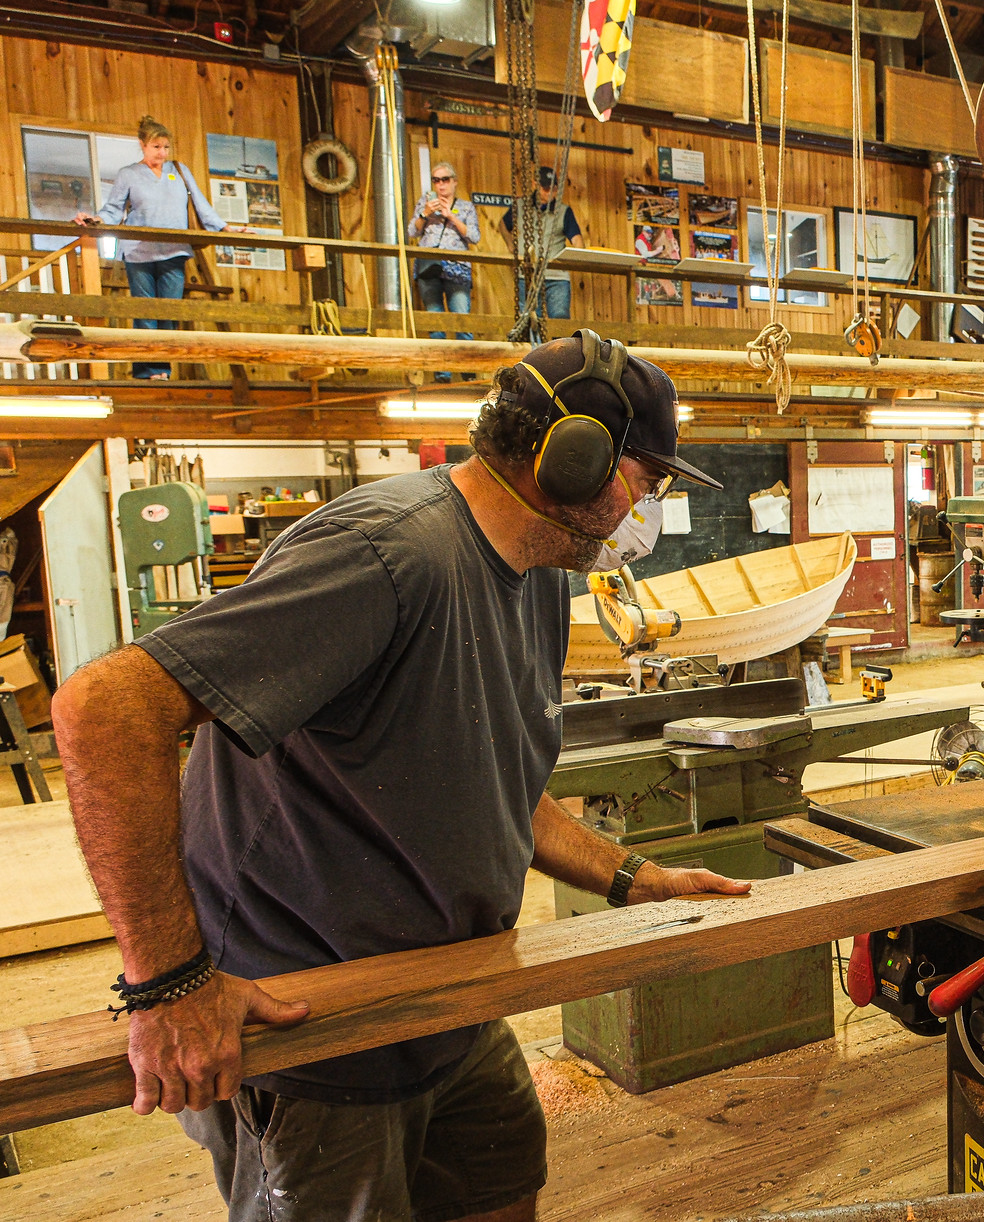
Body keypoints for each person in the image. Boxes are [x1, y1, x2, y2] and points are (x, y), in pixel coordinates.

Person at [53, 331, 732, 1221]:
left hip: (451, 1003)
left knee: (501, 1185)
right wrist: (169, 984)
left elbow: (490, 779)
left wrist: (634, 875)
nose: (648, 509)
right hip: (317, 1032)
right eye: (650, 482)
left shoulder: (533, 571)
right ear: (577, 462)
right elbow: (104, 710)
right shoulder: (389, 553)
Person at [73, 116, 239, 380]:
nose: (161, 153)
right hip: (139, 251)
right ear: (142, 145)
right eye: (155, 147)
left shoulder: (179, 170)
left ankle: (163, 368)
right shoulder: (129, 174)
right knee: (145, 311)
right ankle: (147, 370)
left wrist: (224, 228)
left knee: (169, 311)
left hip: (174, 250)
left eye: (165, 147)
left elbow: (200, 203)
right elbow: (114, 209)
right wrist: (97, 220)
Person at [409, 161, 481, 380]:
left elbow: (475, 236)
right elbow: (411, 231)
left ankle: (467, 373)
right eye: (436, 180)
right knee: (435, 322)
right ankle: (442, 374)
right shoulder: (425, 202)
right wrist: (425, 214)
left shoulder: (466, 207)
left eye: (445, 179)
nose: (440, 185)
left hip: (457, 268)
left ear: (454, 182)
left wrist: (451, 216)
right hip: (429, 266)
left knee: (462, 320)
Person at [502, 166, 583, 320]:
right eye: (546, 188)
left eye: (554, 188)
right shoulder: (520, 206)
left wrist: (579, 255)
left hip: (556, 276)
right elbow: (503, 225)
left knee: (560, 319)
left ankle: (560, 346)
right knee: (528, 321)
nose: (550, 192)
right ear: (534, 185)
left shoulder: (564, 211)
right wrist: (510, 244)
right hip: (526, 274)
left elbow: (577, 239)